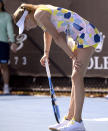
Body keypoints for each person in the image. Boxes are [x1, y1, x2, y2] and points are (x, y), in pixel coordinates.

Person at [13, 3, 104, 131]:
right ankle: (69, 119)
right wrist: (46, 53)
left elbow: (57, 37)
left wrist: (72, 56)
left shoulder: (39, 14)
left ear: (27, 17)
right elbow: (48, 33)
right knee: (75, 78)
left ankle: (78, 122)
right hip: (79, 37)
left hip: (86, 35)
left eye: (25, 25)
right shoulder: (39, 12)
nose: (27, 29)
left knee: (76, 77)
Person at [0, 0, 17, 94]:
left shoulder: (6, 16)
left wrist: (13, 42)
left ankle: (6, 87)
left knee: (4, 66)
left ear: (2, 4)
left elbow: (10, 29)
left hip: (3, 43)